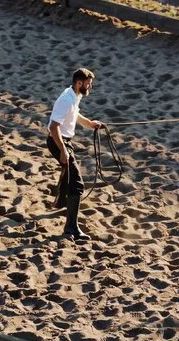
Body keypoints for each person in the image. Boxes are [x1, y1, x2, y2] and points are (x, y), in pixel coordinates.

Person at [46, 68, 104, 240]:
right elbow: (53, 127)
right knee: (77, 184)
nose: (90, 87)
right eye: (88, 83)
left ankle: (61, 203)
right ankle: (71, 228)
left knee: (70, 176)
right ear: (79, 83)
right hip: (59, 142)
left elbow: (74, 114)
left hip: (65, 142)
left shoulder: (74, 95)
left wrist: (90, 123)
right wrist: (63, 150)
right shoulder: (66, 99)